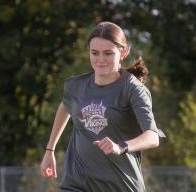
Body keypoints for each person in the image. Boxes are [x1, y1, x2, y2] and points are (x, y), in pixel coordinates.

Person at [40, 21, 165, 192]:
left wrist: (120, 146)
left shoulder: (133, 89)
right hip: (77, 184)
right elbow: (65, 106)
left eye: (108, 53)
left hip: (120, 186)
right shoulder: (75, 86)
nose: (100, 60)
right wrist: (50, 149)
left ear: (124, 52)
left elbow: (152, 137)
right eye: (95, 53)